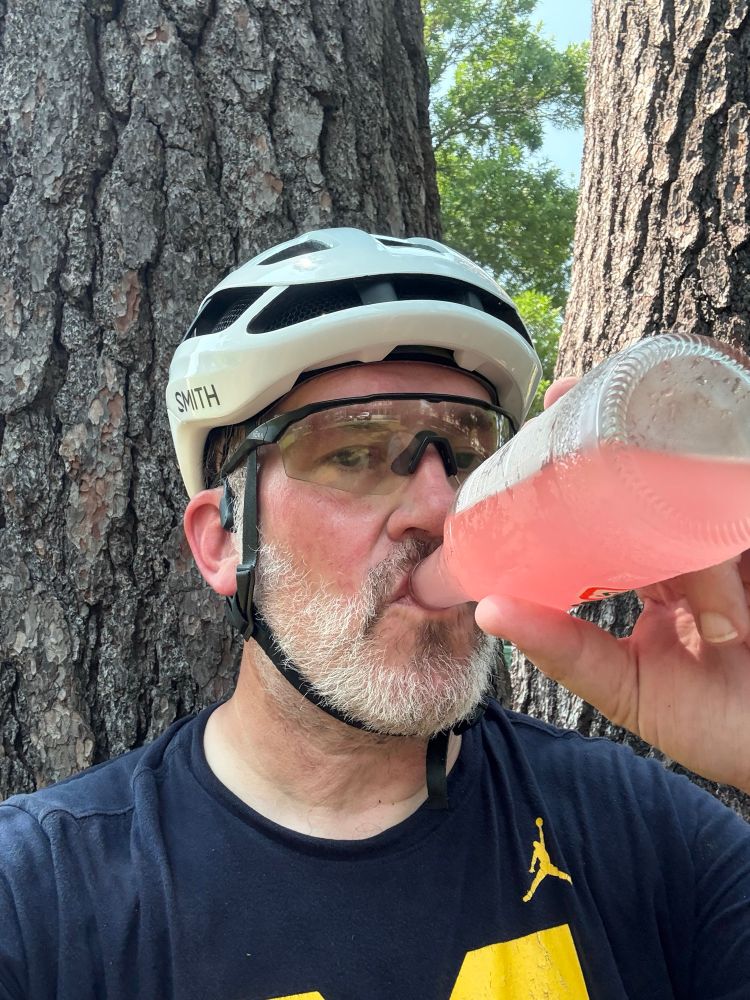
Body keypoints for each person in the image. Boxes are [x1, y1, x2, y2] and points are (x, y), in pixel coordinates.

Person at [0, 228, 748, 1000]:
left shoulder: (639, 832)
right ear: (223, 541)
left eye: (467, 455)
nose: (438, 507)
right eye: (353, 451)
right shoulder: (42, 900)